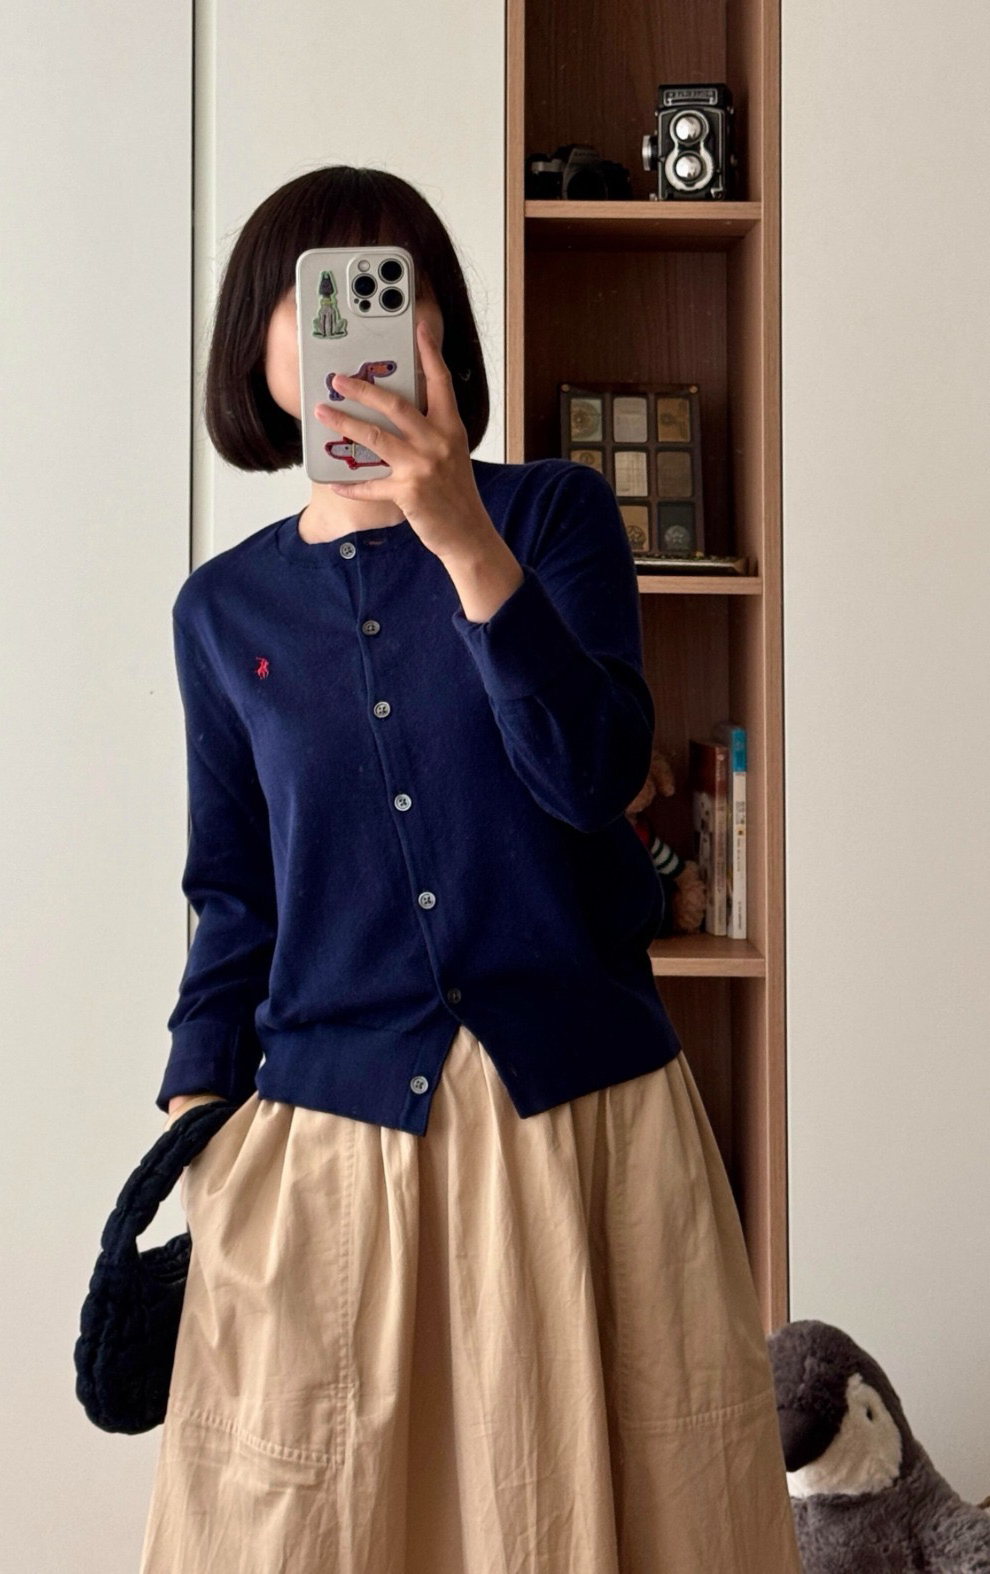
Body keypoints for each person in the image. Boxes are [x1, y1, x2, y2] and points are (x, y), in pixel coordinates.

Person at [138, 165, 802, 1574]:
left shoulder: (554, 516)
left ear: (441, 329)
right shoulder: (221, 612)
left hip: (581, 1128)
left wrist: (462, 541)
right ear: (258, 346)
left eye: (396, 292)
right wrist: (198, 1130)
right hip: (326, 1147)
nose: (360, 331)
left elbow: (594, 776)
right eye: (316, 300)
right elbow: (236, 894)